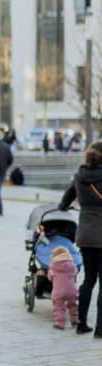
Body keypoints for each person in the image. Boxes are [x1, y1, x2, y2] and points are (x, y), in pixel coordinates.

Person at [59, 143, 102, 336]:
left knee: (88, 280)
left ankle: (81, 324)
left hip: (85, 236)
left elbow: (64, 203)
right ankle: (100, 328)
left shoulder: (79, 176)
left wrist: (66, 207)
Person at [47, 246, 79, 330]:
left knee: (59, 307)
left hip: (59, 291)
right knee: (73, 305)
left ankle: (60, 324)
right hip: (71, 290)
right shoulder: (72, 265)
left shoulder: (53, 266)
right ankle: (75, 320)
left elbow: (50, 277)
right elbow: (75, 274)